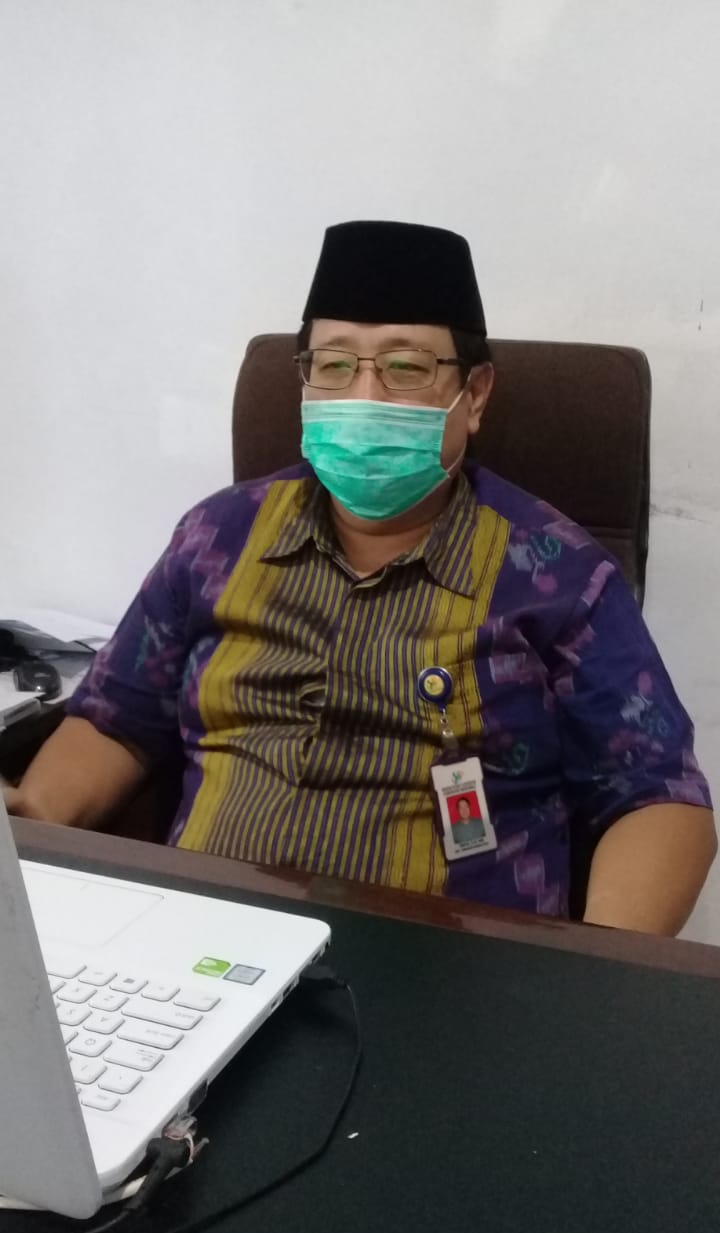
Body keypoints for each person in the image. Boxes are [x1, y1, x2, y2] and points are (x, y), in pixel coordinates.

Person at [3, 220, 715, 933]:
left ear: (474, 394)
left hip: (446, 961)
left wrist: (585, 973)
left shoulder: (558, 573)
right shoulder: (216, 538)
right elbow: (116, 719)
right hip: (200, 938)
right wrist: (28, 822)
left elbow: (658, 798)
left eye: (405, 367)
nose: (364, 394)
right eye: (335, 365)